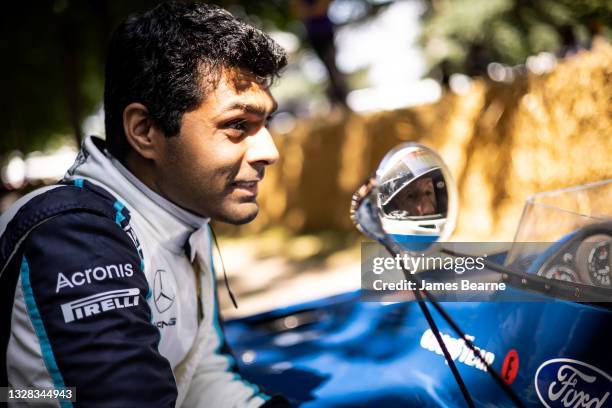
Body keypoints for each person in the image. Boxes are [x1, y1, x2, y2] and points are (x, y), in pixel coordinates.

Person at [0, 3, 291, 407]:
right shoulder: (72, 235)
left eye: (266, 124)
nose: (270, 152)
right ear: (144, 131)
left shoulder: (186, 216)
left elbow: (199, 375)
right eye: (238, 125)